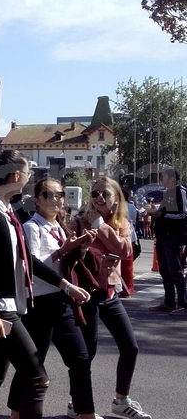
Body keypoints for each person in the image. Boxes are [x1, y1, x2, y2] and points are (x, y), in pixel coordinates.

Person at [0, 146, 90, 419]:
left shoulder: (8, 211)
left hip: (8, 304)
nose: (30, 178)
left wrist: (65, 286)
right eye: (27, 173)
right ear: (14, 176)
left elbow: (26, 260)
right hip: (0, 307)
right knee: (36, 377)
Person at [6, 178, 98, 419]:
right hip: (39, 304)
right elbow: (33, 266)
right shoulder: (31, 228)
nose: (55, 200)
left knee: (80, 360)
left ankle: (85, 413)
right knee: (33, 363)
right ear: (36, 200)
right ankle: (16, 412)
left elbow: (67, 264)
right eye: (48, 195)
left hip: (62, 301)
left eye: (59, 195)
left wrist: (82, 248)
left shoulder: (61, 227)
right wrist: (63, 251)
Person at [69, 177, 152, 419]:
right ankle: (77, 404)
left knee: (130, 347)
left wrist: (102, 227)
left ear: (116, 198)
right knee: (87, 353)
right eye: (95, 194)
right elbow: (70, 253)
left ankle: (121, 400)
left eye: (105, 194)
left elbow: (125, 250)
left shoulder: (120, 222)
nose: (99, 199)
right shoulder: (80, 222)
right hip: (88, 294)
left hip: (110, 293)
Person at [149, 168, 187, 314]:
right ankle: (169, 302)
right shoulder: (168, 194)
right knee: (165, 270)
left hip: (172, 237)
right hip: (163, 236)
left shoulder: (180, 192)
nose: (161, 179)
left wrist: (162, 215)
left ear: (172, 179)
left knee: (175, 270)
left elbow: (184, 214)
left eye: (163, 177)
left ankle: (183, 302)